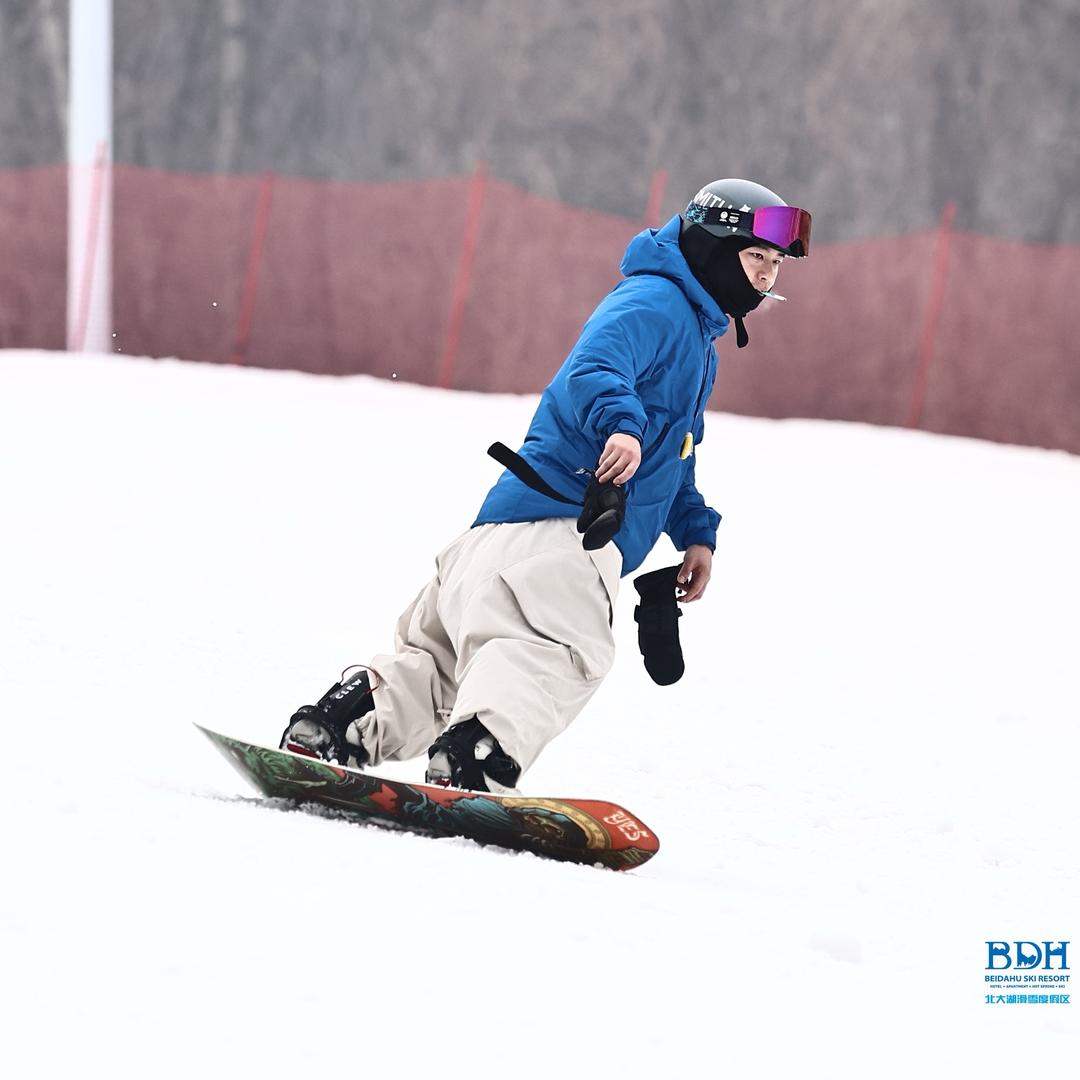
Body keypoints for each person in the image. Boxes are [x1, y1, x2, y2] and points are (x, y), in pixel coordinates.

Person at [280, 177, 812, 792]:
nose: (768, 277)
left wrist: (695, 531)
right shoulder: (657, 303)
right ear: (715, 249)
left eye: (775, 264)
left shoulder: (693, 336)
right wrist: (621, 426)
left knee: (439, 661)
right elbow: (593, 368)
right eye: (756, 258)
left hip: (499, 534)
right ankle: (480, 752)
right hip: (568, 533)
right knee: (556, 649)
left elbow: (676, 457)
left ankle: (340, 723)